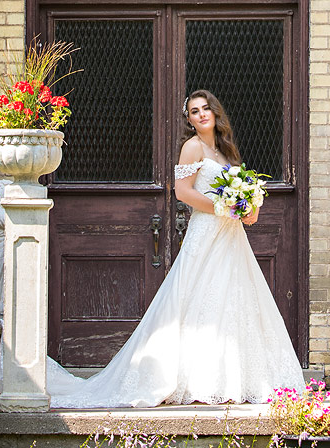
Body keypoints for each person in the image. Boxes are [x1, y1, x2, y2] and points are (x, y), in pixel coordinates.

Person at [46, 90, 306, 407]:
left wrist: (249, 207)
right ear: (189, 120)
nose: (202, 114)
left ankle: (234, 379)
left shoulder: (225, 150)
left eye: (206, 108)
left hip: (231, 235)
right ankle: (192, 379)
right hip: (206, 231)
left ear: (216, 112)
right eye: (195, 111)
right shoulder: (192, 147)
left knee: (234, 297)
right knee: (199, 296)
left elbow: (242, 195)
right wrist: (223, 207)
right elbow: (182, 192)